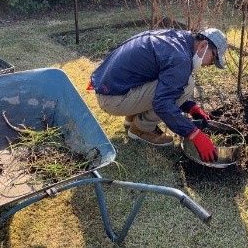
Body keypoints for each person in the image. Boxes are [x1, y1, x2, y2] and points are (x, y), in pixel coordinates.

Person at [88, 28, 228, 162]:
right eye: (213, 59)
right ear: (203, 45)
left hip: (112, 87)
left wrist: (191, 107)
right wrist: (194, 134)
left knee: (179, 82)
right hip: (113, 99)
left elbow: (166, 81)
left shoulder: (178, 39)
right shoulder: (181, 59)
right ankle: (141, 129)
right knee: (188, 84)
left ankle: (132, 118)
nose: (209, 65)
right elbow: (163, 104)